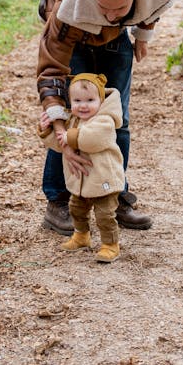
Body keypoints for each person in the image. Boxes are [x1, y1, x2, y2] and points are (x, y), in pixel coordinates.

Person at [37, 0, 176, 235]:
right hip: (74, 35)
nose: (112, 16)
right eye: (104, 8)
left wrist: (142, 34)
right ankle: (58, 200)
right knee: (75, 113)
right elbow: (51, 70)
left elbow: (154, 3)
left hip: (116, 41)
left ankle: (114, 194)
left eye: (120, 8)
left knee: (117, 118)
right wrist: (62, 131)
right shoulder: (67, 5)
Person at [38, 73, 124, 263]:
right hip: (81, 181)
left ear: (101, 100)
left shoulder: (105, 121)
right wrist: (47, 131)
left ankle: (110, 245)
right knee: (76, 209)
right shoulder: (72, 121)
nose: (83, 105)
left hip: (104, 180)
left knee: (105, 215)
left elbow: (93, 140)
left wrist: (69, 137)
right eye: (77, 100)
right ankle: (81, 235)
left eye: (90, 100)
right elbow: (60, 144)